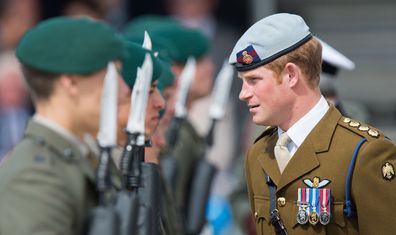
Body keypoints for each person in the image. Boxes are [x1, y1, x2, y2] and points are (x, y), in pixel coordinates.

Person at [229, 13, 396, 235]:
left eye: (254, 80)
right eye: (243, 82)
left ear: (291, 75)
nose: (243, 94)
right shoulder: (259, 153)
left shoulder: (365, 153)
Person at [0, 17, 126, 235]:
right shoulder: (35, 178)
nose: (123, 90)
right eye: (111, 76)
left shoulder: (76, 156)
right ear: (71, 83)